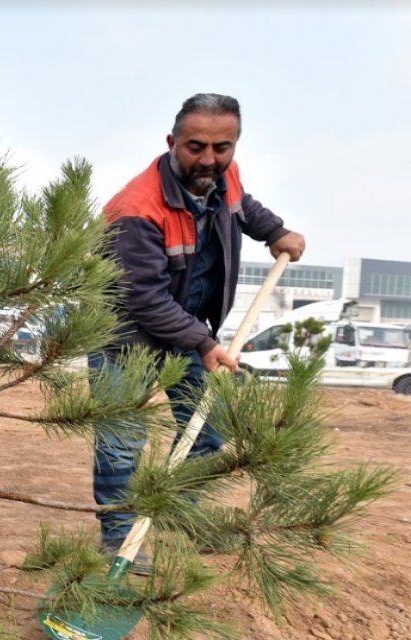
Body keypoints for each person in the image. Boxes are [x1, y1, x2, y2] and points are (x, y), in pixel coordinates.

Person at [92, 93, 306, 574]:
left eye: (221, 147)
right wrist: (206, 343)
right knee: (121, 446)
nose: (208, 158)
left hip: (186, 332)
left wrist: (275, 231)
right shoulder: (137, 209)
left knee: (207, 430)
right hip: (125, 339)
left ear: (234, 146)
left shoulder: (223, 177)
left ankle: (178, 515)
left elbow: (242, 205)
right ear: (172, 142)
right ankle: (119, 539)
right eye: (195, 147)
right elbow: (144, 298)